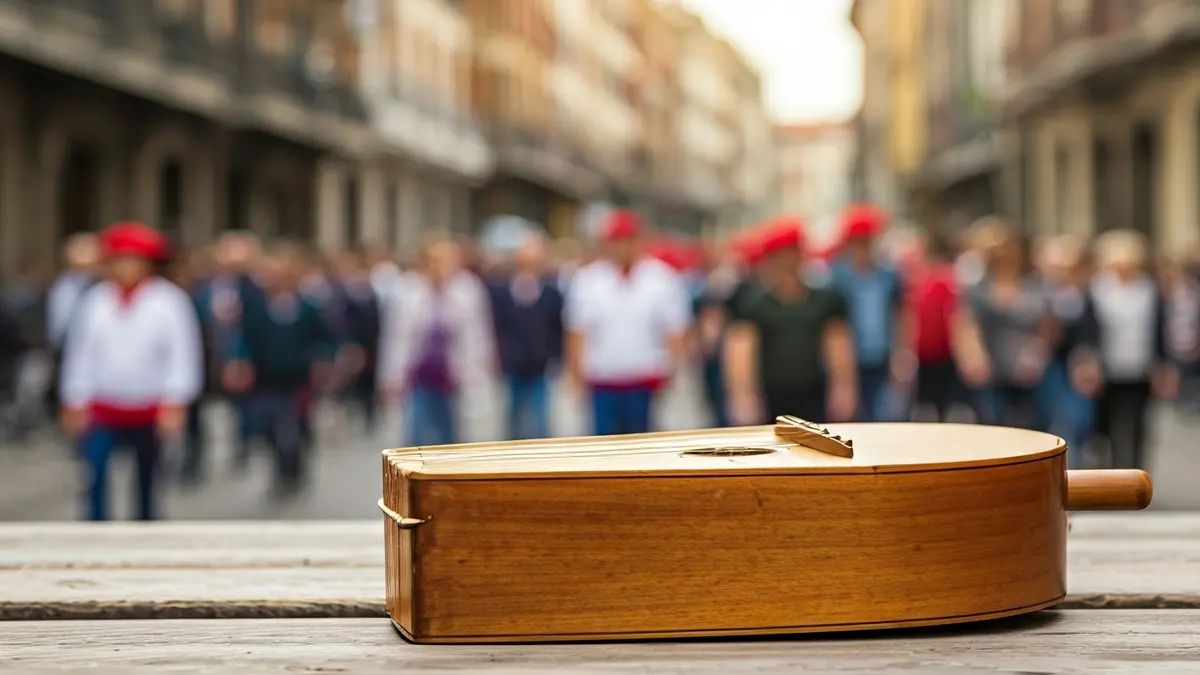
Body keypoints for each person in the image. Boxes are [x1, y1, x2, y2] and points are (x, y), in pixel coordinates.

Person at [59, 222, 203, 521]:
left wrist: (176, 398)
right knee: (95, 471)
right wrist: (74, 397)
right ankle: (95, 525)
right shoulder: (95, 301)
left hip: (149, 401)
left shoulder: (169, 301)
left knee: (148, 474)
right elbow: (80, 353)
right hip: (104, 402)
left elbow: (182, 354)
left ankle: (145, 524)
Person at [564, 209, 691, 436]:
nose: (623, 247)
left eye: (628, 240)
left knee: (643, 445)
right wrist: (574, 377)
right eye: (617, 241)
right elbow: (577, 332)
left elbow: (675, 331)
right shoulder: (588, 280)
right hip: (602, 380)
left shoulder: (661, 278)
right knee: (603, 448)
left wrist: (676, 372)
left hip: (645, 380)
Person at [225, 242, 338, 497]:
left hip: (297, 380)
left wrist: (323, 360)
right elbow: (244, 337)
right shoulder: (256, 307)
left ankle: (294, 469)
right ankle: (280, 469)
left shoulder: (307, 307)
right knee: (267, 427)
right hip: (266, 379)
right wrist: (239, 362)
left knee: (294, 428)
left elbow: (325, 338)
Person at [723, 216, 858, 425]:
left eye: (792, 252)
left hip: (814, 393)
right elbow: (741, 351)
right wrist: (743, 397)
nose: (787, 260)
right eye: (781, 255)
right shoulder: (753, 304)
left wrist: (843, 388)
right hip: (771, 396)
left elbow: (838, 344)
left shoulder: (825, 301)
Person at [378, 235, 495, 446]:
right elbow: (397, 337)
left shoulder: (467, 290)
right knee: (416, 436)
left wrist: (482, 369)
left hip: (455, 376)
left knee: (451, 438)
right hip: (418, 376)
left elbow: (478, 334)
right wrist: (390, 375)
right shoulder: (408, 291)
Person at [1089, 229, 1177, 471]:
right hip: (1106, 368)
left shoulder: (1149, 290)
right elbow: (1087, 329)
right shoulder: (1098, 289)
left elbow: (1159, 330)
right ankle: (1110, 470)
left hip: (1139, 367)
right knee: (1106, 423)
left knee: (1137, 423)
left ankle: (1134, 472)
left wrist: (1164, 365)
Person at [829, 204, 907, 421]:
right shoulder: (836, 278)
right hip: (849, 359)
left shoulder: (889, 276)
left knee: (885, 416)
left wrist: (902, 353)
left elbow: (900, 315)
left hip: (882, 356)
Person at [487, 231, 564, 440]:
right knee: (513, 419)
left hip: (539, 366)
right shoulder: (503, 291)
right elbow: (498, 327)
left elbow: (556, 328)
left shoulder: (551, 293)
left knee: (540, 421)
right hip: (513, 364)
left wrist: (554, 356)